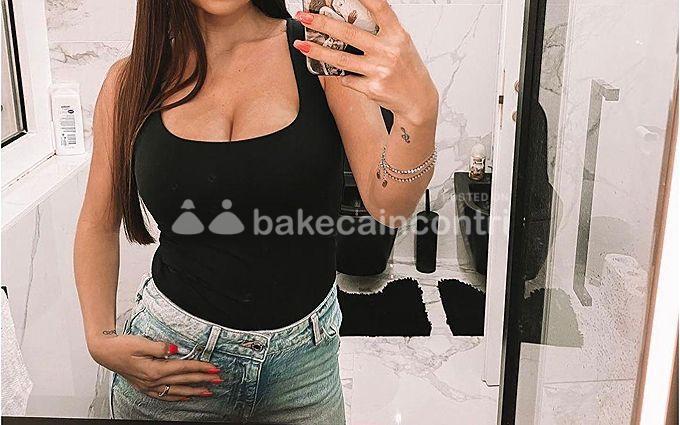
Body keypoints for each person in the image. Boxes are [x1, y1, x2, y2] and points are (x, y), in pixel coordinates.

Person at [73, 0, 437, 423]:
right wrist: (99, 337)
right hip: (173, 360)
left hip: (304, 370)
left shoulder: (318, 55)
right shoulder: (131, 82)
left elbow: (388, 205)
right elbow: (97, 222)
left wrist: (420, 111)